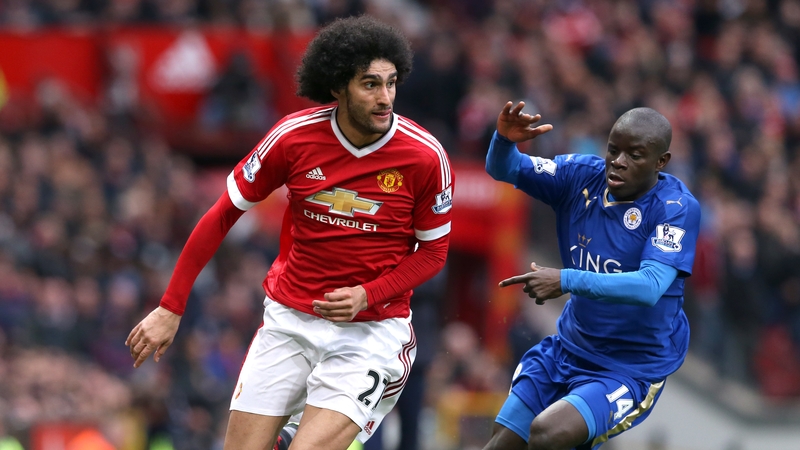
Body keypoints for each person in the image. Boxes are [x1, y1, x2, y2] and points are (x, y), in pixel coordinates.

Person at [126, 15, 454, 450]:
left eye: (391, 83)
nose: (385, 98)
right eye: (370, 84)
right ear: (337, 87)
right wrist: (171, 307)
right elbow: (222, 214)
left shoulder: (425, 156)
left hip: (371, 332)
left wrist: (367, 294)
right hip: (289, 322)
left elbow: (433, 254)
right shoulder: (293, 137)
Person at [482, 102, 700, 450]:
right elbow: (503, 168)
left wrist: (565, 280)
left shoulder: (674, 208)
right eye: (613, 150)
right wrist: (505, 141)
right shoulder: (579, 176)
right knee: (501, 444)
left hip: (630, 367)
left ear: (661, 162)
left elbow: (650, 286)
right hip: (568, 349)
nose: (619, 161)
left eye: (635, 155)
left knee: (548, 434)